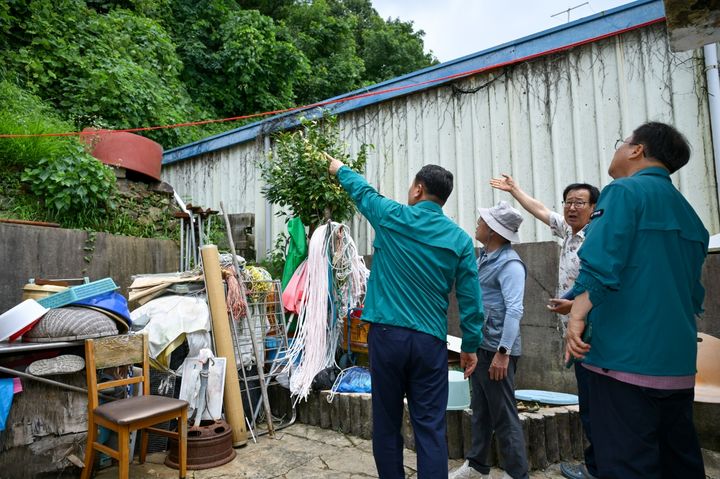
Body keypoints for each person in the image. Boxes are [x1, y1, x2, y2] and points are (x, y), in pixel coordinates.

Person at [325, 153, 485, 479]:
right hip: (429, 343)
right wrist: (470, 345)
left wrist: (338, 168)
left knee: (386, 423)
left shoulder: (392, 216)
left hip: (387, 337)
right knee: (430, 426)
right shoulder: (460, 240)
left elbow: (363, 192)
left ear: (418, 189)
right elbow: (471, 299)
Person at [565, 122, 708, 479]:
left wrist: (578, 314)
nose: (618, 149)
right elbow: (688, 292)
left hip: (623, 362)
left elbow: (602, 261)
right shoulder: (689, 214)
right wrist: (577, 298)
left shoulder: (624, 192)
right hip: (676, 366)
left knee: (627, 465)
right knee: (678, 464)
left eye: (622, 142)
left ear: (636, 150)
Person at [489, 176, 600, 479]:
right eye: (568, 202)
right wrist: (515, 190)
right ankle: (598, 464)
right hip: (574, 331)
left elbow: (601, 283)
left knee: (597, 402)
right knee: (590, 400)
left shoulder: (597, 239)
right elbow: (540, 210)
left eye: (579, 203)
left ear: (594, 208)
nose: (571, 208)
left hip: (594, 331)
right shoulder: (569, 232)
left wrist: (576, 307)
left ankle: (600, 467)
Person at [449, 201, 529, 479]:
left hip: (498, 350)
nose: (478, 223)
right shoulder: (483, 257)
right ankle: (477, 465)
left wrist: (503, 353)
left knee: (504, 414)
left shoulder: (510, 265)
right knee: (481, 409)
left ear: (494, 231)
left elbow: (515, 309)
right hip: (482, 346)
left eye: (483, 221)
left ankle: (516, 473)